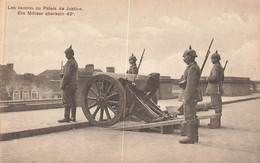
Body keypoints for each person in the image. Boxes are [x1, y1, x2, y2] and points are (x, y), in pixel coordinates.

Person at [178, 45, 202, 144]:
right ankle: (194, 136)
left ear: (189, 57)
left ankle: (190, 137)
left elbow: (190, 85)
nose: (184, 59)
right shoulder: (191, 67)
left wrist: (186, 97)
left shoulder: (193, 68)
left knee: (189, 117)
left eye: (184, 57)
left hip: (190, 95)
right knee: (193, 116)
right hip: (192, 95)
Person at [58, 45, 78, 123]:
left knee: (66, 101)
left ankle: (66, 117)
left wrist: (62, 84)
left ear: (71, 54)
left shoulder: (69, 62)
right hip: (74, 84)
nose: (66, 56)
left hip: (68, 84)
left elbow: (67, 75)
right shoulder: (75, 62)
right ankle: (73, 117)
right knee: (72, 100)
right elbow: (71, 73)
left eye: (67, 54)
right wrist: (64, 75)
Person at [206, 50, 224, 128]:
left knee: (216, 106)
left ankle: (215, 124)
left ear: (216, 59)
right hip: (218, 88)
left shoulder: (216, 67)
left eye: (212, 58)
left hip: (214, 88)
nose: (211, 60)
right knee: (218, 106)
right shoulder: (220, 66)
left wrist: (208, 78)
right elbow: (222, 78)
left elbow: (214, 78)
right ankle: (217, 123)